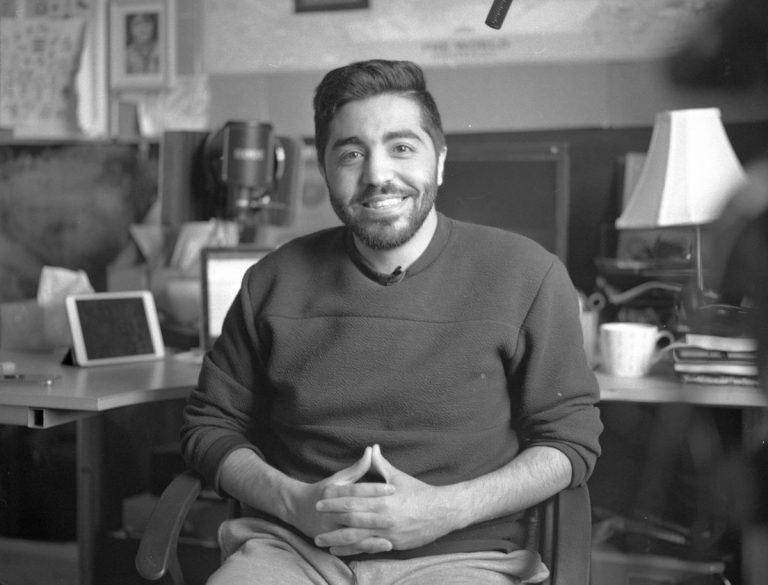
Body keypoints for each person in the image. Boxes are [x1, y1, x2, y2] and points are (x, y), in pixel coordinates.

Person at [181, 59, 602, 585]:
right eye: (351, 153)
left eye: (402, 148)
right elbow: (210, 426)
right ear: (325, 170)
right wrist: (295, 503)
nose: (377, 175)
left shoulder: (527, 274)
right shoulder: (272, 281)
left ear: (440, 161)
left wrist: (447, 510)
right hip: (291, 551)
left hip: (462, 558)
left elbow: (570, 441)